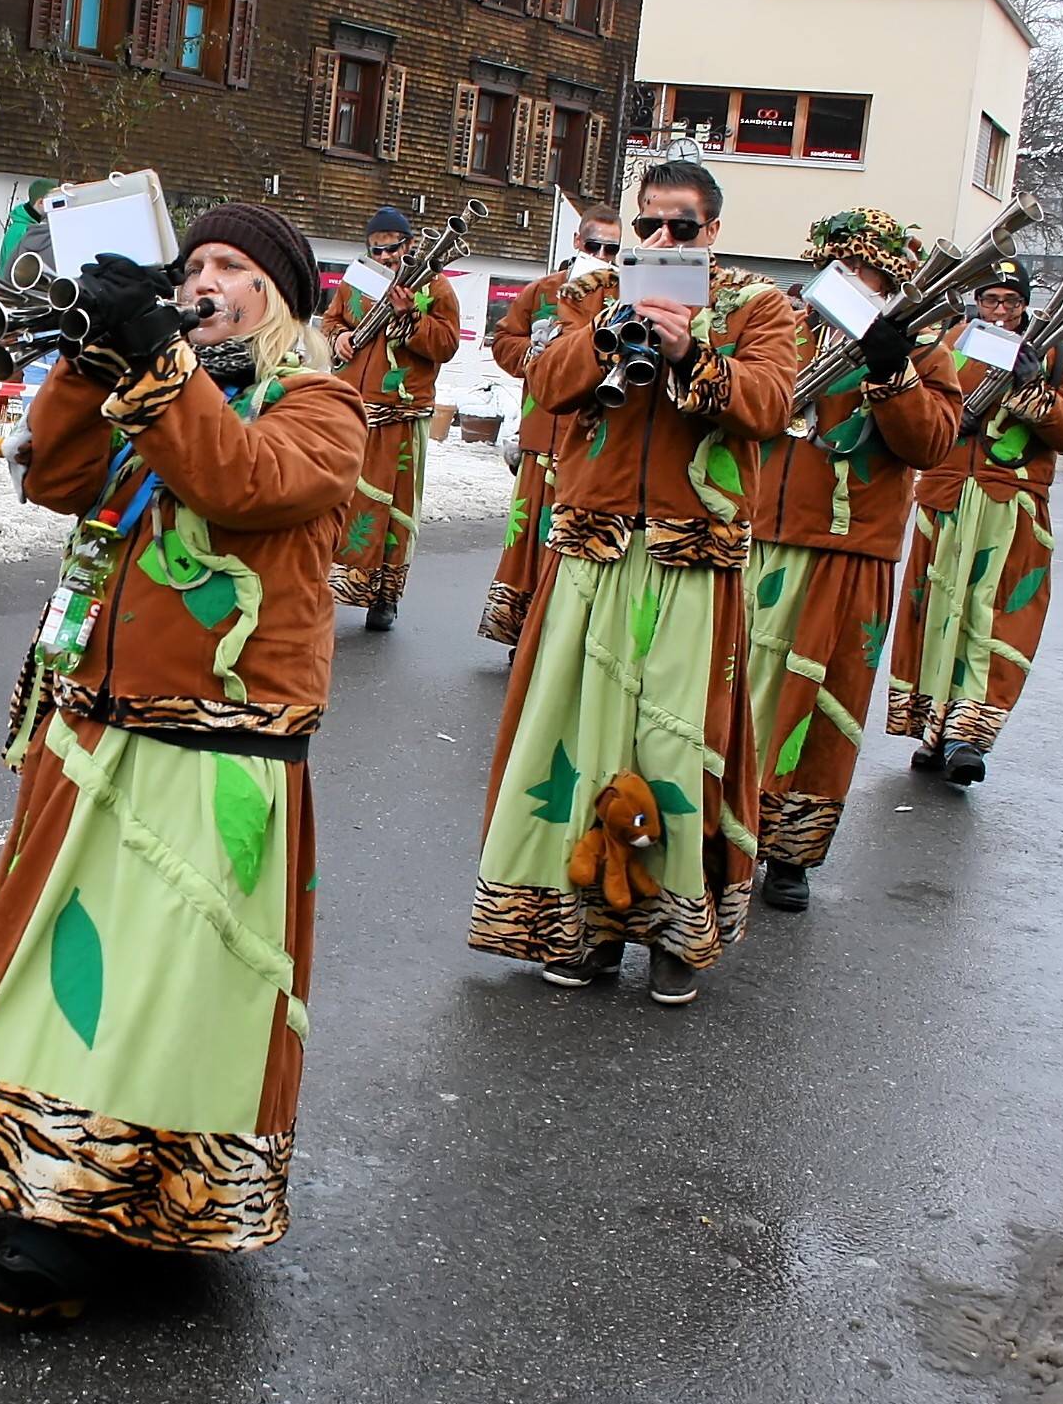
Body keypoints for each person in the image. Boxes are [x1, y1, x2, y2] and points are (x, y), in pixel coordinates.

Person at [0, 202, 365, 1322]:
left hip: (213, 741)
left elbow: (240, 482)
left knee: (160, 984)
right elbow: (58, 476)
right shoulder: (160, 389)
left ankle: (105, 1205)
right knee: (61, 962)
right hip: (98, 723)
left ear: (279, 297)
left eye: (230, 266)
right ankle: (34, 1153)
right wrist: (93, 359)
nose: (203, 280)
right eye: (193, 265)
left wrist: (153, 361)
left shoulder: (321, 407)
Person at [467, 161, 798, 1006]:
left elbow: (768, 405)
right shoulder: (591, 292)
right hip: (595, 545)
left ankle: (673, 933)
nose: (661, 239)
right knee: (580, 742)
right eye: (649, 224)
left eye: (681, 228)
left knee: (678, 745)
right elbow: (545, 384)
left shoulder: (759, 305)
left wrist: (691, 352)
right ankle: (582, 928)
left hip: (694, 557)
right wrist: (610, 330)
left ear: (712, 232)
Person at [743, 210, 965, 915]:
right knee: (736, 693)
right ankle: (723, 831)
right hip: (759, 535)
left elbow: (931, 444)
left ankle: (791, 851)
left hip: (851, 549)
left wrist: (892, 370)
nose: (850, 279)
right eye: (839, 265)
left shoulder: (921, 349)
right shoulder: (784, 327)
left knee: (822, 706)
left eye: (866, 270)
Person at [885, 260, 1063, 785]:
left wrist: (1032, 388)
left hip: (1011, 502)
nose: (1000, 311)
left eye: (1011, 301)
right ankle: (933, 730)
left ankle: (968, 736)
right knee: (934, 615)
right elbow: (918, 407)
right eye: (991, 300)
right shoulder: (948, 341)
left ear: (1025, 304)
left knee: (995, 619)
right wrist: (953, 419)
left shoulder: (1058, 352)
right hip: (946, 497)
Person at [478, 203, 620, 649]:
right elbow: (503, 339)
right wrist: (534, 354)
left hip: (593, 441)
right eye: (594, 245)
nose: (602, 256)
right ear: (577, 242)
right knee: (528, 540)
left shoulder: (625, 295)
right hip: (541, 437)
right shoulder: (542, 291)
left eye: (612, 249)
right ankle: (521, 632)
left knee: (575, 545)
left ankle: (562, 640)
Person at [321, 205, 460, 632]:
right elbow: (331, 320)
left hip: (401, 414)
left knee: (392, 509)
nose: (384, 257)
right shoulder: (359, 277)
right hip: (352, 409)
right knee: (339, 501)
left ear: (410, 244)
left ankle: (384, 597)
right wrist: (339, 337)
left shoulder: (435, 285)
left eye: (392, 248)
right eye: (376, 249)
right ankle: (330, 585)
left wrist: (410, 316)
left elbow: (447, 344)